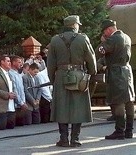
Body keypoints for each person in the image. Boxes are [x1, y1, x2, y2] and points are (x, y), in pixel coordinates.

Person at [47, 15, 97, 147]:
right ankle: (75, 139)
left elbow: (50, 64)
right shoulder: (82, 38)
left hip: (61, 76)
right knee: (78, 108)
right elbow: (91, 59)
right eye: (78, 24)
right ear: (75, 25)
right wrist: (92, 73)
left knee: (61, 108)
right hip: (79, 75)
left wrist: (53, 79)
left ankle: (63, 139)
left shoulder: (55, 40)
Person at [97, 19, 135, 140]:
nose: (104, 35)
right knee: (129, 101)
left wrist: (102, 42)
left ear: (109, 29)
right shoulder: (127, 37)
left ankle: (119, 131)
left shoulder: (113, 39)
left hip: (116, 72)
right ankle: (129, 130)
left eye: (104, 32)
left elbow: (100, 51)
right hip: (127, 71)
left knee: (118, 102)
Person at [9, 55, 28, 126]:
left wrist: (23, 102)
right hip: (15, 105)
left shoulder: (19, 75)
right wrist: (21, 103)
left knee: (21, 124)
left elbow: (22, 90)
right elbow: (15, 90)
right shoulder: (10, 73)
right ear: (13, 63)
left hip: (21, 104)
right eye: (19, 62)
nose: (21, 64)